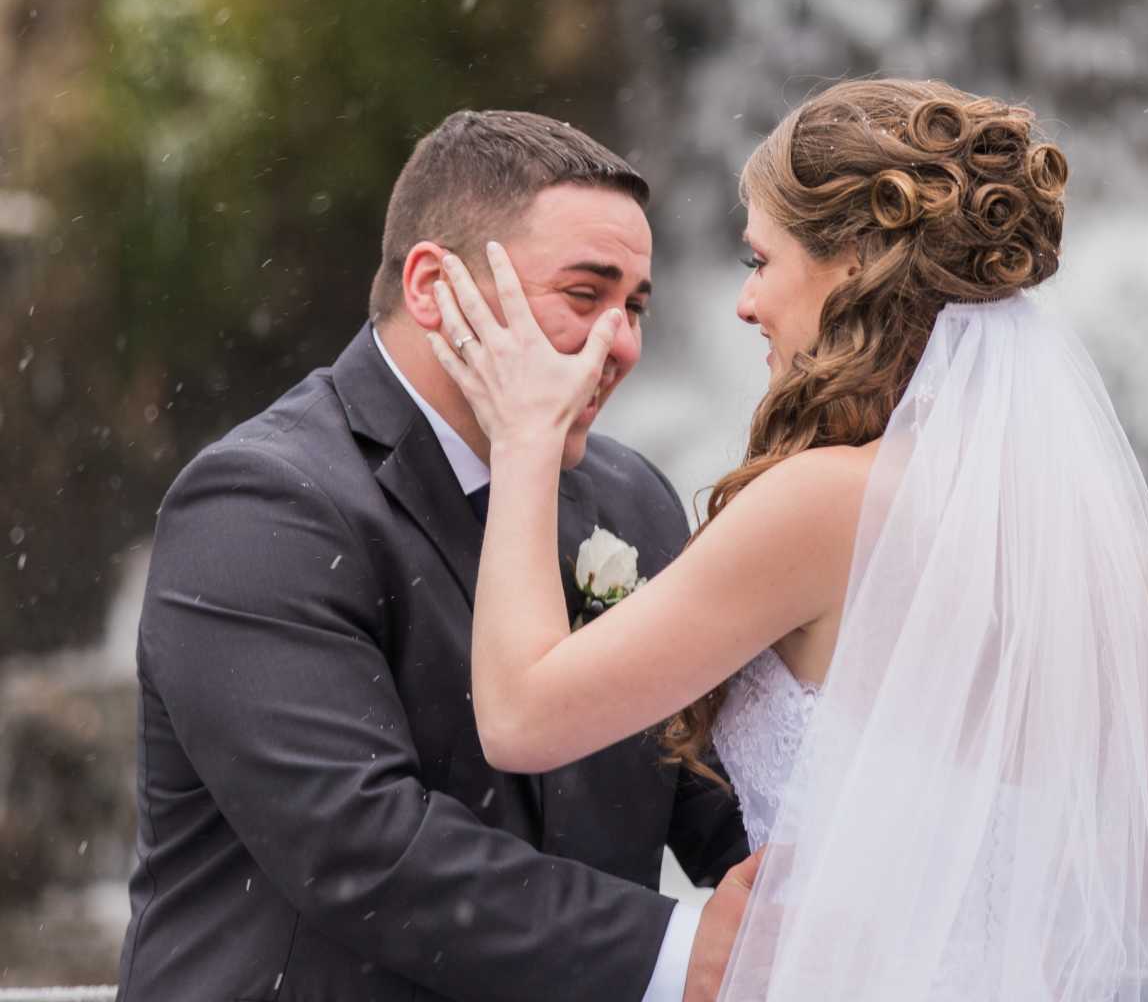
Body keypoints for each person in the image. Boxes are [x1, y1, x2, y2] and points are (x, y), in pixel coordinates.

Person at [433, 78, 1148, 1000]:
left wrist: (528, 438)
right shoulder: (1084, 534)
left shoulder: (823, 505)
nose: (745, 305)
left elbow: (523, 716)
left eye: (758, 262)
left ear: (852, 259)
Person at [117, 110, 756, 1002]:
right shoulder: (262, 503)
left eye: (636, 308)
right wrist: (687, 951)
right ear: (431, 286)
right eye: (585, 295)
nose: (623, 347)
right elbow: (361, 847)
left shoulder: (632, 497)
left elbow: (714, 785)